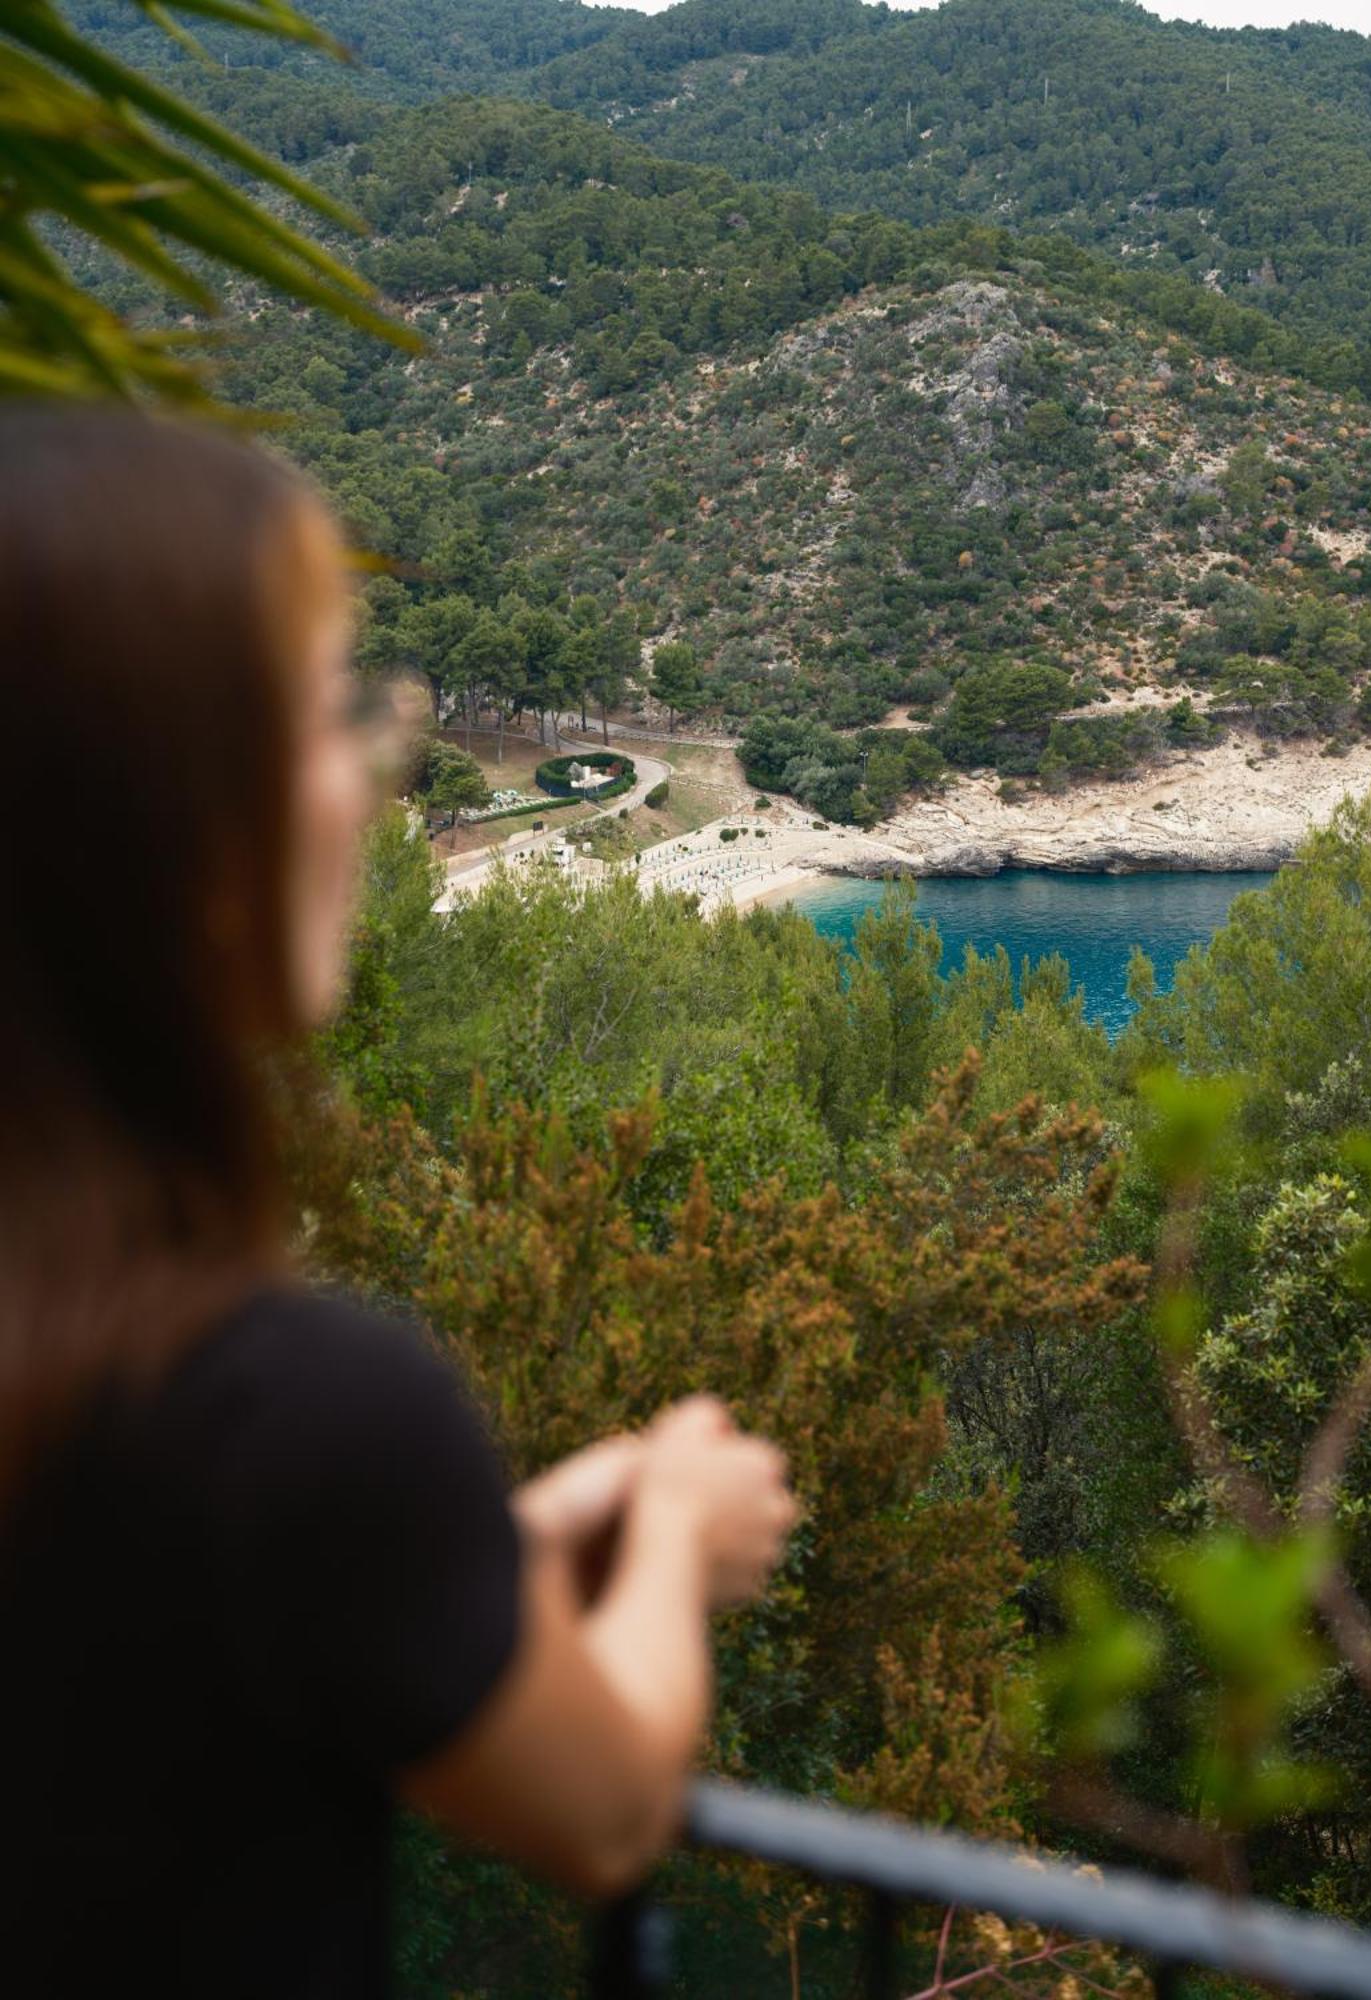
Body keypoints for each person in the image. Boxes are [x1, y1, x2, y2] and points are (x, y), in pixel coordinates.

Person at [0, 406, 797, 1998]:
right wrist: (674, 1543)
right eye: (324, 719)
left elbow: (153, 1622)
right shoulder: (294, 1408)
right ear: (170, 815)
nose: (377, 783)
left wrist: (474, 1551)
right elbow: (608, 1800)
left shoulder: (171, 1412)